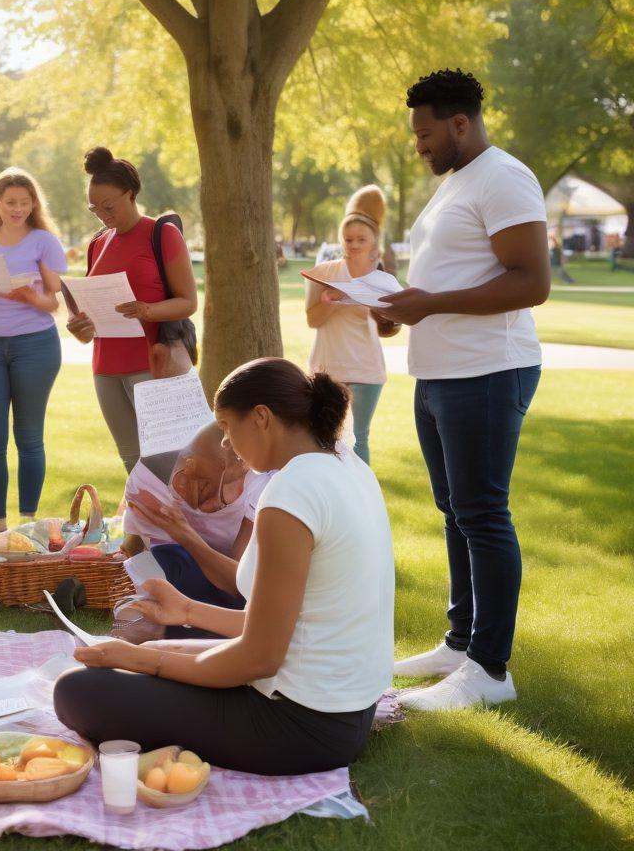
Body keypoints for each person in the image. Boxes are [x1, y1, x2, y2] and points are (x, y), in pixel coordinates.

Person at [53, 358, 394, 775]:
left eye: (229, 429)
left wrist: (145, 662)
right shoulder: (348, 465)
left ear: (262, 418)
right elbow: (295, 622)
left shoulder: (291, 493)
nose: (228, 447)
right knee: (157, 649)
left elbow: (259, 658)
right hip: (344, 707)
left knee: (78, 691)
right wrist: (189, 612)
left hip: (299, 725)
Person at [378, 69, 550, 710]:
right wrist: (397, 306)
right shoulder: (457, 184)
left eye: (425, 134)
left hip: (486, 371)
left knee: (481, 513)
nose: (419, 146)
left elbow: (531, 281)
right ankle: (459, 642)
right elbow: (450, 277)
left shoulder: (503, 176)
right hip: (441, 371)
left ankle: (490, 669)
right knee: (456, 512)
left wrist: (432, 302)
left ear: (459, 123)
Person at [66, 147, 198, 473]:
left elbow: (188, 301)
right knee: (132, 461)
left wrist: (146, 310)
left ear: (130, 193)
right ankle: (144, 524)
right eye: (94, 209)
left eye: (108, 206)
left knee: (166, 462)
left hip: (151, 364)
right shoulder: (98, 243)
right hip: (105, 367)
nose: (102, 215)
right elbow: (92, 306)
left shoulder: (161, 234)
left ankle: (177, 524)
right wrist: (81, 326)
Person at [0, 169, 67, 532]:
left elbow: (56, 301)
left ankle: (27, 523)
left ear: (33, 204)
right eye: (10, 203)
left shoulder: (43, 241)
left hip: (35, 345)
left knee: (29, 437)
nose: (17, 209)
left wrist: (30, 296)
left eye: (24, 202)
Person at [122, 422, 274, 613]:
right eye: (205, 486)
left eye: (225, 489)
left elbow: (239, 587)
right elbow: (155, 561)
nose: (212, 504)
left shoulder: (263, 483)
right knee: (173, 562)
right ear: (190, 467)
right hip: (190, 573)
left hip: (244, 587)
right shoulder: (150, 481)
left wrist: (186, 536)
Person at [303, 185, 400, 464]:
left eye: (361, 239)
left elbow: (390, 329)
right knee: (324, 440)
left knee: (360, 439)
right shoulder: (323, 273)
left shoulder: (382, 279)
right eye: (348, 239)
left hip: (366, 370)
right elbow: (312, 319)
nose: (354, 245)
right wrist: (334, 298)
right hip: (327, 368)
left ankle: (362, 501)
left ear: (374, 243)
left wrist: (381, 313)